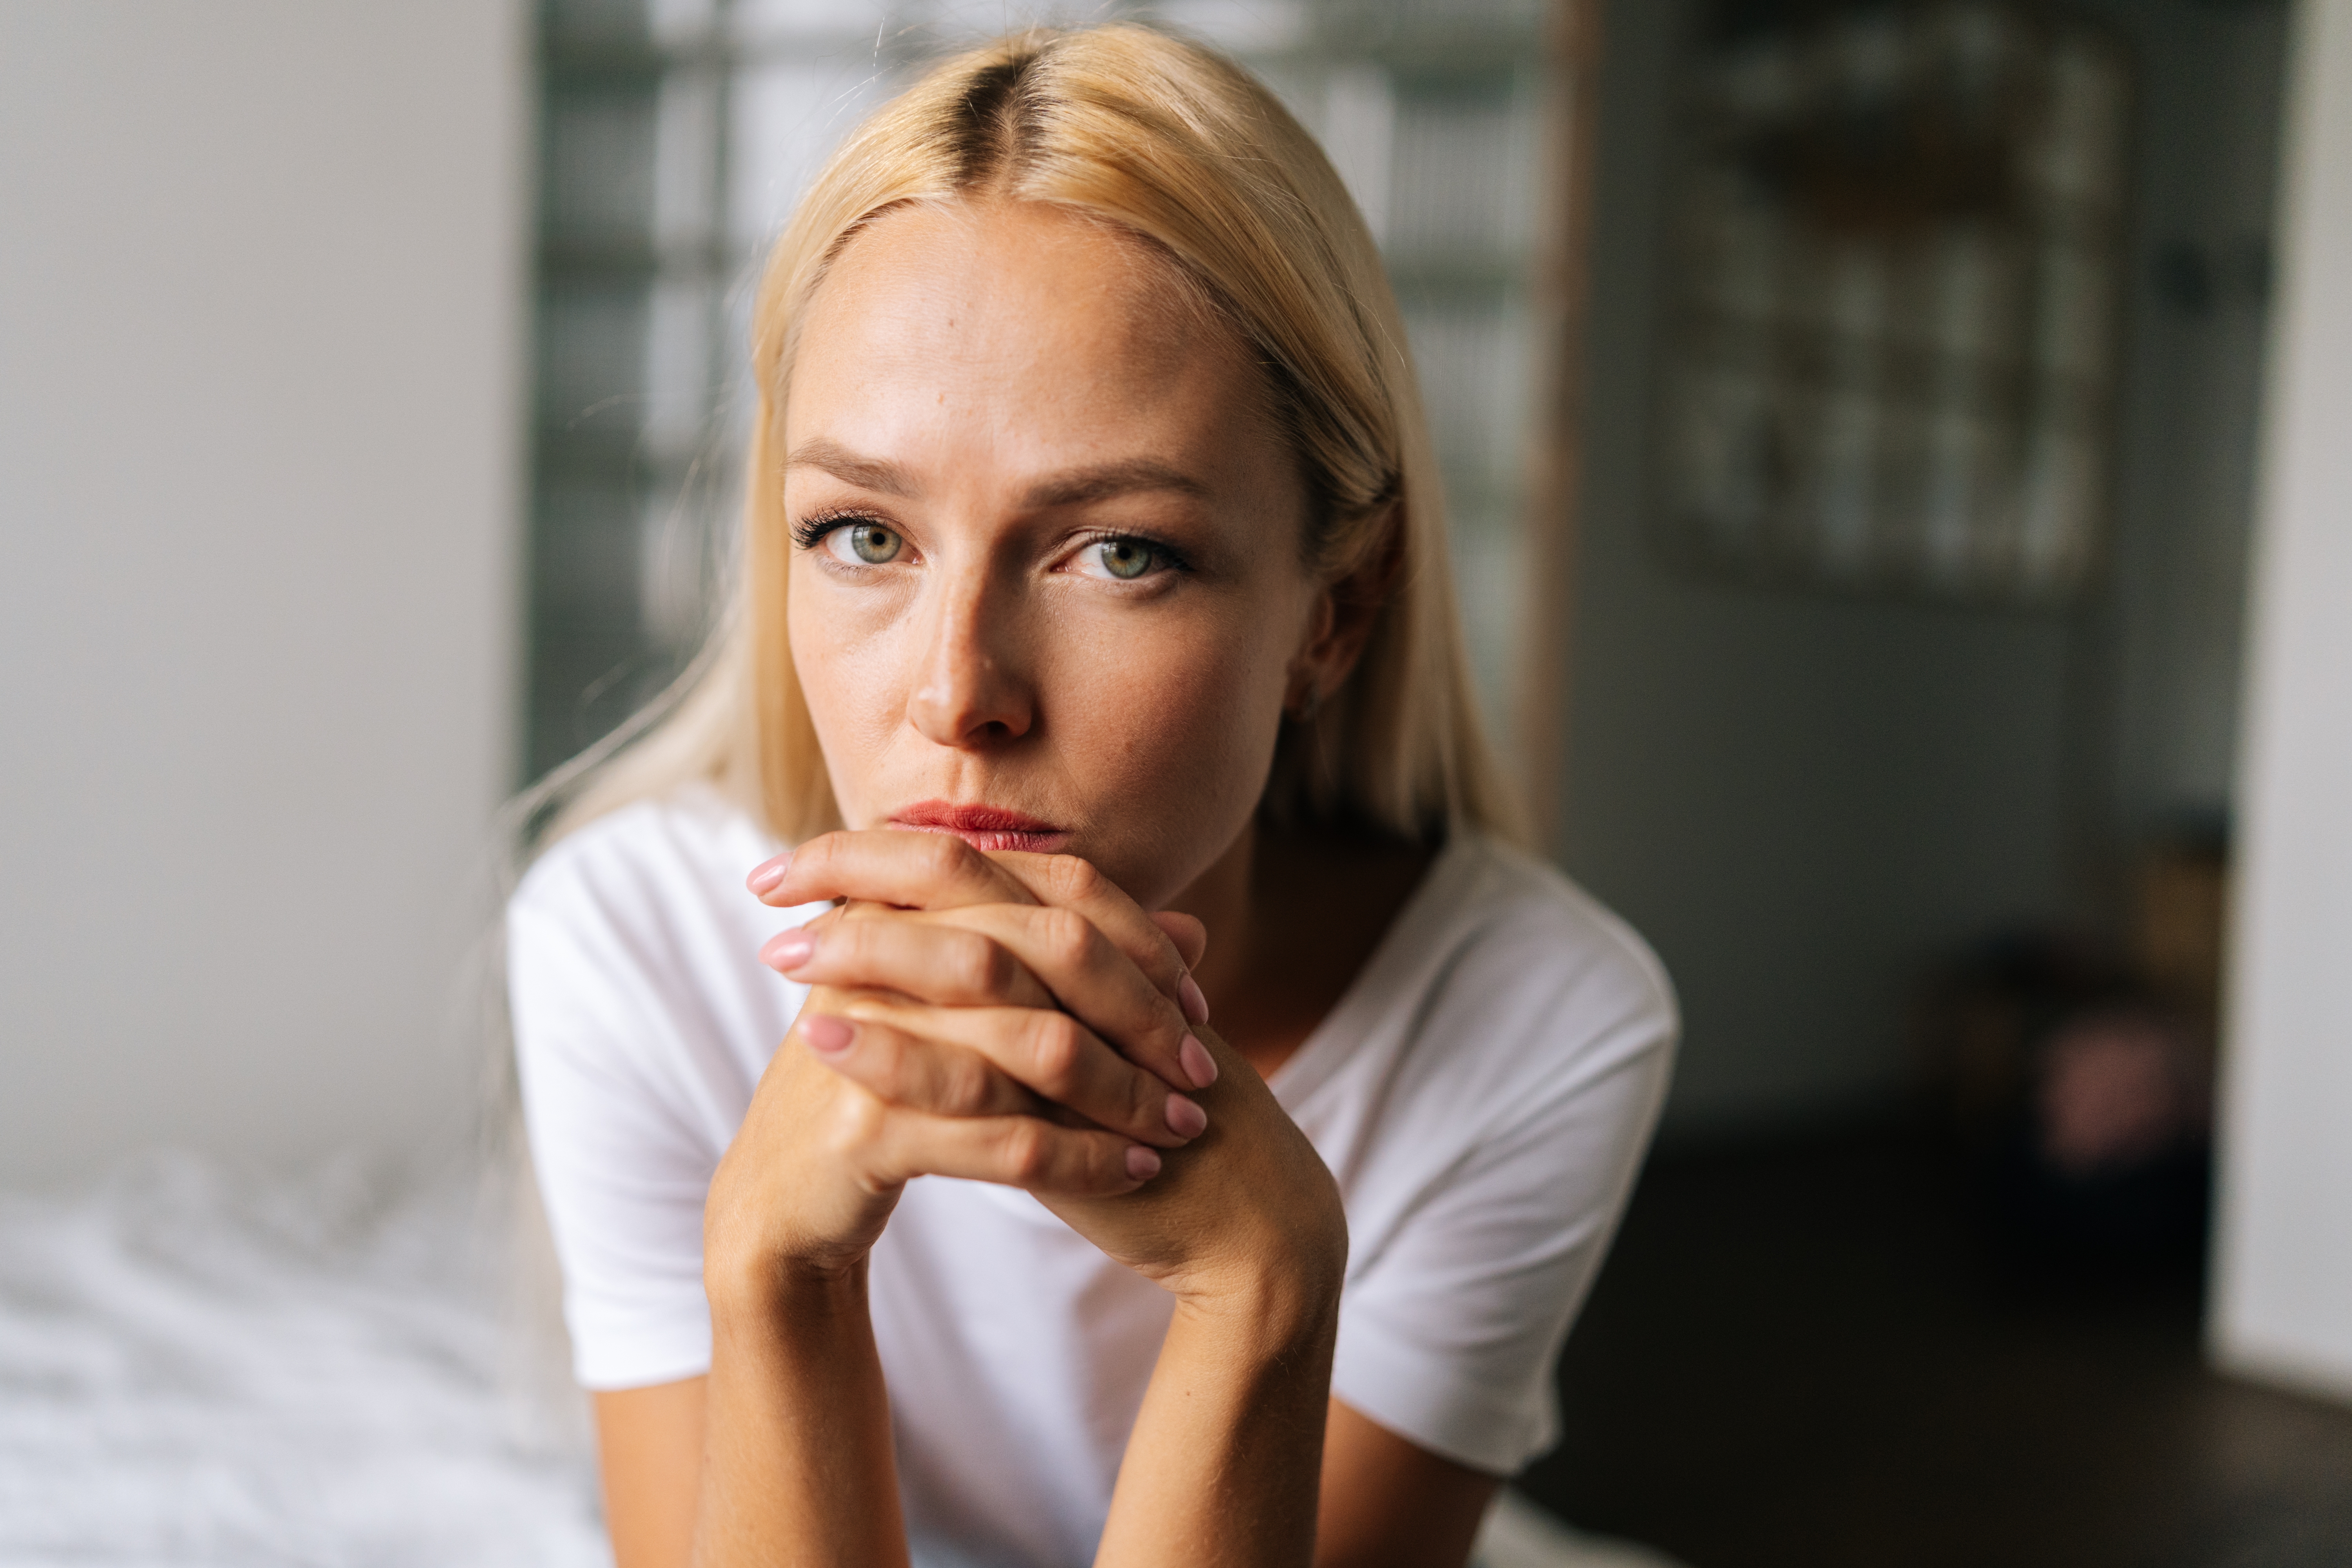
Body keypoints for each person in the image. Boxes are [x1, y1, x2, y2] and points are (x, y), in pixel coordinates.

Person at [508, 25, 1675, 1568]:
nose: (955, 691)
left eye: (1121, 552)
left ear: (1333, 611)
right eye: (863, 533)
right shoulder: (632, 938)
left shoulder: (1538, 1020)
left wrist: (1265, 1283)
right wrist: (774, 1264)